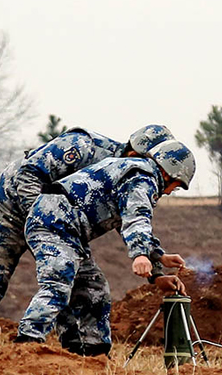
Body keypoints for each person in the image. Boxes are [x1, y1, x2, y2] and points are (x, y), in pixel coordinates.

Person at [0, 125, 175, 345]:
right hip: (9, 212)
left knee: (81, 282)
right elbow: (27, 175)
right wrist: (44, 222)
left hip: (59, 223)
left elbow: (129, 217)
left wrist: (156, 269)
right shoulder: (83, 146)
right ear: (137, 152)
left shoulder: (125, 173)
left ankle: (75, 349)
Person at [15, 140, 196, 356]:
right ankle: (25, 346)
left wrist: (159, 261)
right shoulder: (142, 177)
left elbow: (127, 218)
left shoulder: (134, 172)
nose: (171, 191)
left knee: (94, 288)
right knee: (58, 283)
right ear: (168, 173)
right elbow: (137, 218)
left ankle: (92, 354)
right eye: (176, 185)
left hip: (67, 230)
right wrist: (139, 255)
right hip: (52, 223)